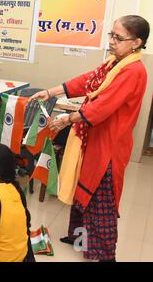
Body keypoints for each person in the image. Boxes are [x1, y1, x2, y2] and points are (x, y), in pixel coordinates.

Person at [30, 15, 150, 262]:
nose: (112, 41)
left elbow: (103, 107)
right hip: (92, 138)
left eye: (119, 37)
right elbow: (86, 81)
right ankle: (78, 238)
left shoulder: (133, 70)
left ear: (136, 42)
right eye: (111, 35)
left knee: (101, 202)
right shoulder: (112, 63)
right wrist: (51, 92)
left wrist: (67, 119)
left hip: (109, 147)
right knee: (81, 192)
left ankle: (106, 256)